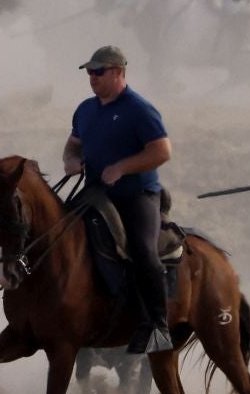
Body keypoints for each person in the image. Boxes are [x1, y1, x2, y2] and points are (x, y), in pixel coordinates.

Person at [64, 46, 174, 354]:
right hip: (95, 193)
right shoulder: (85, 109)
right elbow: (73, 145)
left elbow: (162, 151)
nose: (92, 78)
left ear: (118, 72)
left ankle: (157, 324)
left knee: (142, 250)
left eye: (98, 72)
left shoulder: (139, 109)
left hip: (136, 195)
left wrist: (122, 167)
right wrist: (71, 161)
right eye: (89, 72)